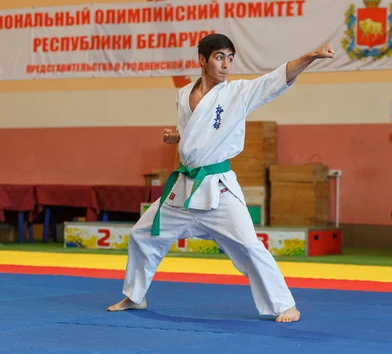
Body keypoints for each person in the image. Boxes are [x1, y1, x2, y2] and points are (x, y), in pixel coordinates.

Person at [107, 34, 334, 322]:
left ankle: (285, 304)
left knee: (249, 246)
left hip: (218, 189)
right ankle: (135, 296)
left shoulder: (237, 93)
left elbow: (276, 78)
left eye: (230, 58)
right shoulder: (183, 93)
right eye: (219, 57)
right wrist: (175, 137)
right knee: (142, 234)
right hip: (184, 188)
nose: (226, 64)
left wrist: (311, 56)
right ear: (202, 59)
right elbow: (192, 135)